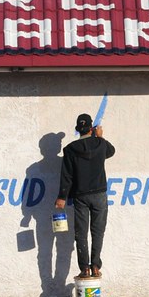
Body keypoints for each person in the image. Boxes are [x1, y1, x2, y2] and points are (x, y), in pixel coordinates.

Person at [55, 113, 115, 278]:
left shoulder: (70, 150)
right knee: (98, 231)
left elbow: (66, 176)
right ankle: (95, 265)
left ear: (77, 130)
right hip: (99, 194)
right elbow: (111, 151)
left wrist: (62, 197)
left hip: (81, 196)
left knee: (81, 233)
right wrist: (100, 137)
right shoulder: (100, 144)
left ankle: (85, 268)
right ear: (91, 128)